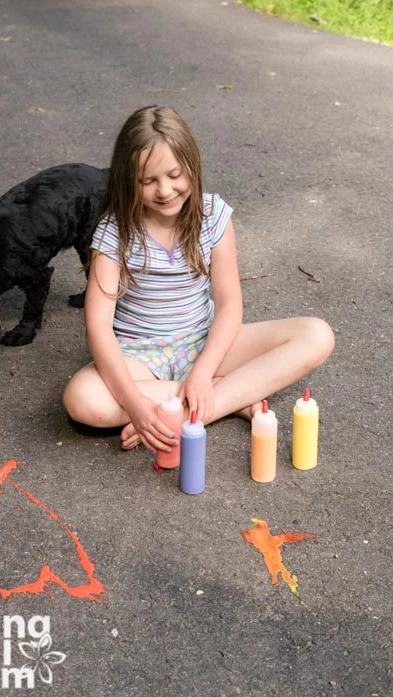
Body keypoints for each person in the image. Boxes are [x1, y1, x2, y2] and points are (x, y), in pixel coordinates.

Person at [62, 105, 334, 454]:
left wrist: (203, 374)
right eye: (148, 181)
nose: (165, 190)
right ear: (129, 181)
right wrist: (134, 404)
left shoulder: (213, 216)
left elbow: (230, 305)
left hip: (206, 343)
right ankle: (234, 394)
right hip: (141, 356)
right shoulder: (113, 233)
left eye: (175, 174)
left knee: (316, 335)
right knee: (82, 400)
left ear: (192, 164)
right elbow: (98, 328)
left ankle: (201, 407)